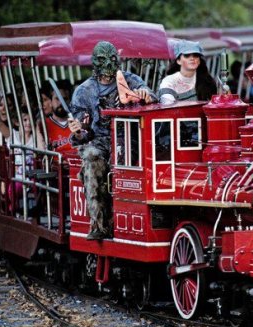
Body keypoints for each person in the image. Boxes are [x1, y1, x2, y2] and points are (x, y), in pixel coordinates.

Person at [68, 41, 157, 240]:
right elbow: (83, 131)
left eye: (112, 59)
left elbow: (151, 95)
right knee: (91, 158)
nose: (109, 65)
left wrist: (146, 95)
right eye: (103, 60)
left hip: (130, 138)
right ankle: (99, 223)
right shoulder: (84, 91)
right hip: (99, 140)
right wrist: (78, 131)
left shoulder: (130, 79)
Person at [158, 40, 217, 104]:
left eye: (196, 55)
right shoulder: (169, 81)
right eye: (187, 55)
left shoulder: (208, 81)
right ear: (178, 61)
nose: (192, 58)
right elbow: (167, 103)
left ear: (199, 61)